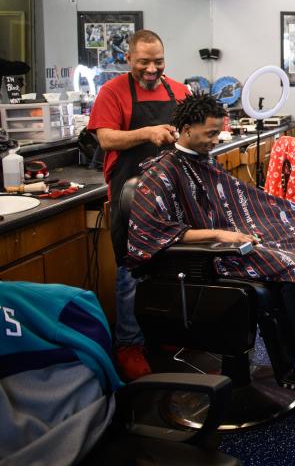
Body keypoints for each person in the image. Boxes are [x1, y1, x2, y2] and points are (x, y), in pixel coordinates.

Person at [127, 94, 295, 387]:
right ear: (186, 129)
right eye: (210, 134)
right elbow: (149, 231)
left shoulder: (202, 161)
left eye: (217, 133)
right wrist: (219, 234)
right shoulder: (162, 172)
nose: (215, 140)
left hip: (239, 233)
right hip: (211, 254)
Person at [87, 29, 190, 380]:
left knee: (170, 265)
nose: (151, 69)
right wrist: (148, 132)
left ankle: (162, 333)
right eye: (143, 62)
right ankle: (129, 343)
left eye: (158, 61)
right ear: (128, 58)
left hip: (171, 190)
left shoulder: (179, 91)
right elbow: (106, 137)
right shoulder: (112, 92)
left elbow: (189, 132)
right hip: (131, 194)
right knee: (131, 270)